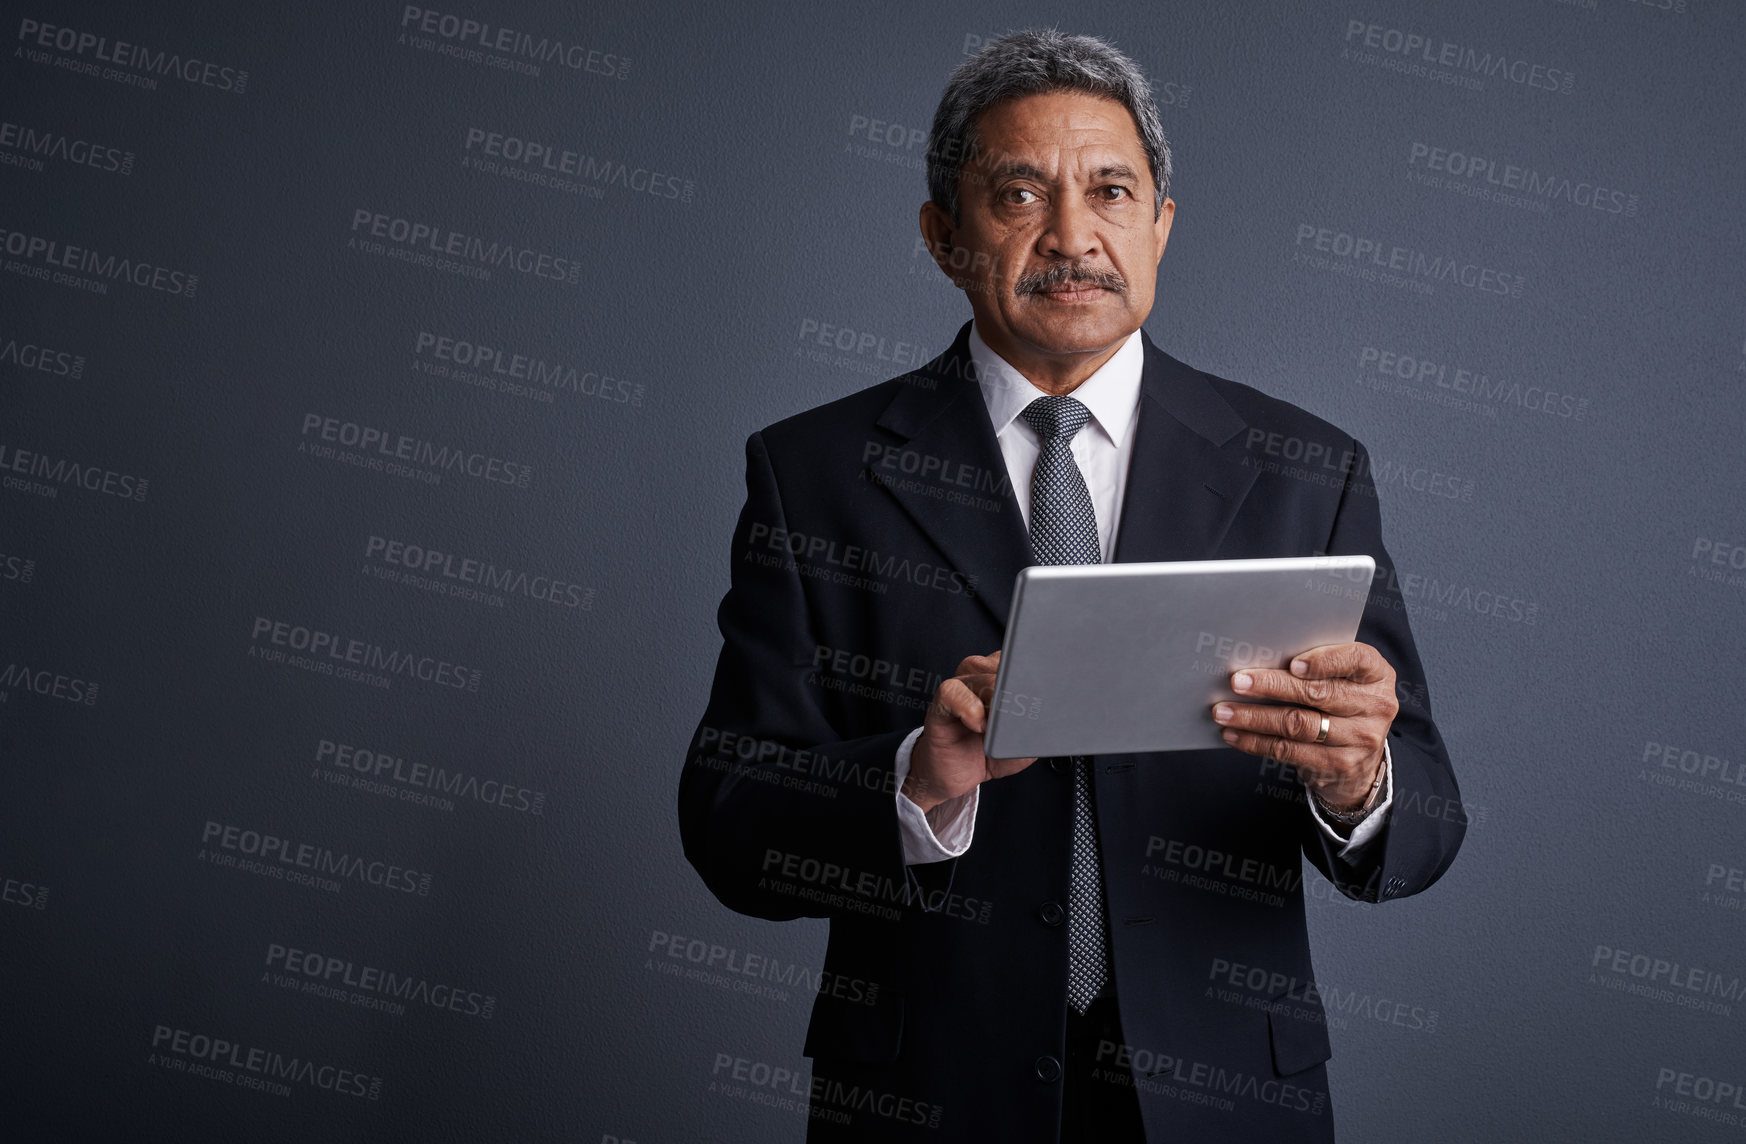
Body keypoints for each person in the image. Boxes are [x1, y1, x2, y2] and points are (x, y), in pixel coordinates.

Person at [678, 28, 1465, 1143]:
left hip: (1228, 1094)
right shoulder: (814, 473)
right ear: (943, 238)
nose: (1072, 236)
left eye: (1110, 190)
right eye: (1017, 195)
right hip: (926, 1097)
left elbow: (1428, 816)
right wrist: (917, 778)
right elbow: (728, 824)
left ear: (1162, 225)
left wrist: (1358, 781)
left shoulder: (1306, 468)